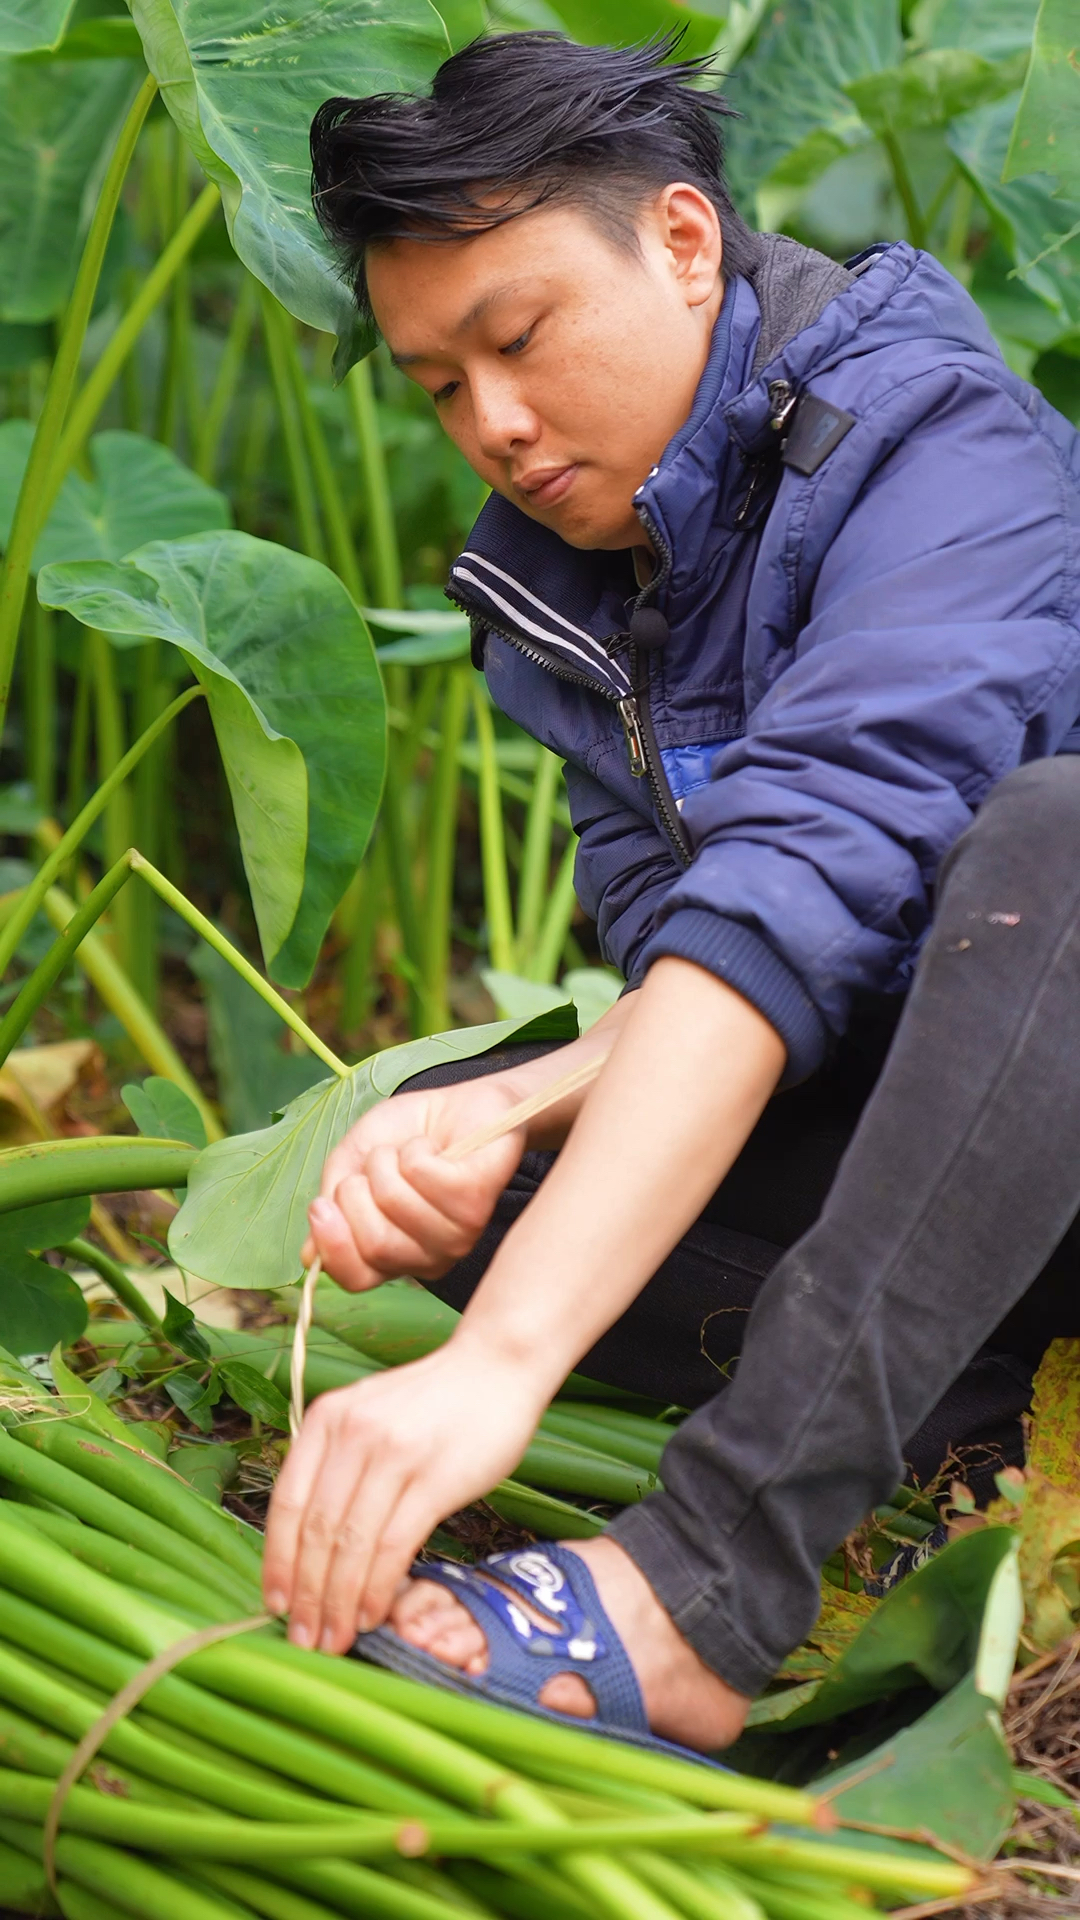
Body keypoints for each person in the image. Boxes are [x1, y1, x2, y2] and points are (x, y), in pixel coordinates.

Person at [261, 32, 1080, 1754]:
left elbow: (826, 866)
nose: (491, 420)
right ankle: (976, 1419)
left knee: (1066, 842)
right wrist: (520, 1101)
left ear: (688, 242)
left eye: (520, 338)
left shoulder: (931, 437)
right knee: (447, 1141)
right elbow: (684, 963)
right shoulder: (570, 586)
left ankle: (707, 1579)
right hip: (967, 1183)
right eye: (436, 384)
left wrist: (497, 1376)